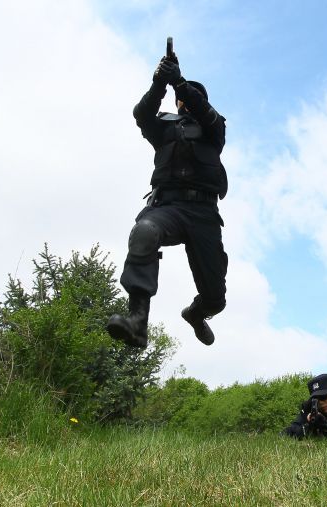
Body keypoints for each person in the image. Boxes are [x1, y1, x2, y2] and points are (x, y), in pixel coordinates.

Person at [107, 54, 228, 350]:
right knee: (144, 231)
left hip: (203, 213)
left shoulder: (214, 128)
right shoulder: (164, 128)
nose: (187, 100)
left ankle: (196, 313)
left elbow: (206, 112)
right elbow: (141, 114)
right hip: (168, 207)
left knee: (216, 297)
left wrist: (180, 82)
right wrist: (160, 81)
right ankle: (137, 321)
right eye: (183, 98)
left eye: (193, 96)